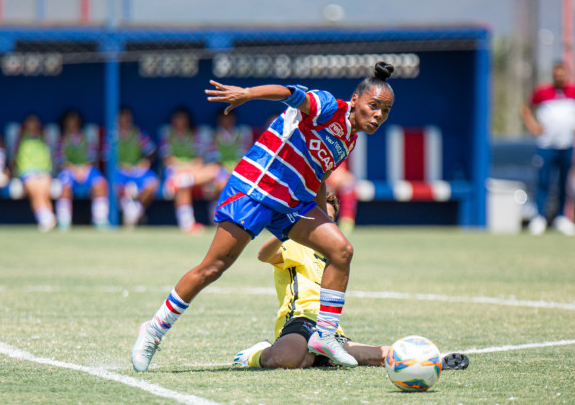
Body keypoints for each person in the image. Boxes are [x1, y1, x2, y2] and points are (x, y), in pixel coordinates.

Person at [132, 62, 396, 372]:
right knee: (213, 267)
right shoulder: (329, 107)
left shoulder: (349, 138)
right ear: (355, 100)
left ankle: (325, 336)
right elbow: (289, 93)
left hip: (292, 202)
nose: (378, 115)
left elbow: (320, 175)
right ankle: (153, 331)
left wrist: (325, 217)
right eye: (373, 105)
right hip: (255, 188)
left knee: (341, 250)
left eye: (385, 111)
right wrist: (248, 93)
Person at [233, 192, 469, 371]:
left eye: (328, 221)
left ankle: (430, 361)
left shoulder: (335, 255)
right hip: (300, 319)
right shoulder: (295, 243)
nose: (321, 226)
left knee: (376, 355)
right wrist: (286, 230)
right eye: (314, 220)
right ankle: (257, 353)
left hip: (328, 328)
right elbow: (264, 256)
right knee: (287, 359)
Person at [521, 61, 575, 236]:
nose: (559, 77)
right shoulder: (542, 92)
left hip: (567, 144)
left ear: (567, 74)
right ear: (553, 75)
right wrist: (533, 126)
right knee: (543, 182)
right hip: (546, 145)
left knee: (565, 182)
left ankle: (562, 218)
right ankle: (539, 217)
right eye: (556, 75)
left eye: (562, 74)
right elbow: (526, 109)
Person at [158, 107, 222, 234]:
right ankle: (187, 224)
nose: (180, 122)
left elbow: (198, 160)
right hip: (173, 171)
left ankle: (218, 221)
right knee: (183, 182)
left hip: (191, 171)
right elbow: (167, 159)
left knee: (214, 171)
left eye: (183, 119)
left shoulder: (195, 135)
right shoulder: (167, 134)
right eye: (177, 118)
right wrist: (184, 167)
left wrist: (188, 169)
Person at [54, 110, 109, 230]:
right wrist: (75, 169)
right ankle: (64, 222)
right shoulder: (61, 139)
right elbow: (60, 161)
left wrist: (83, 169)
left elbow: (92, 157)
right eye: (69, 121)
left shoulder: (87, 138)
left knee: (100, 182)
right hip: (68, 170)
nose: (72, 124)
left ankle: (100, 220)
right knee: (65, 185)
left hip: (87, 169)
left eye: (75, 121)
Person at [114, 107, 159, 227]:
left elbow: (151, 151)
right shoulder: (111, 135)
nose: (125, 121)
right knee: (115, 185)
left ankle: (135, 210)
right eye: (121, 118)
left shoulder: (137, 133)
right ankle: (129, 209)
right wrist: (120, 165)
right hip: (119, 171)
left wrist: (146, 161)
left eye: (127, 118)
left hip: (136, 171)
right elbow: (104, 157)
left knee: (152, 183)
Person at [14, 114, 56, 232]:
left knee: (44, 189)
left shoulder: (43, 138)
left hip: (43, 171)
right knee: (35, 189)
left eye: (35, 123)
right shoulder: (21, 139)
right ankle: (44, 217)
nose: (32, 126)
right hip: (27, 172)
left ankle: (47, 216)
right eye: (29, 123)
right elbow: (15, 157)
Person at [325, 161, 358, 235]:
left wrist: (337, 172)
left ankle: (346, 220)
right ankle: (321, 221)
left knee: (348, 183)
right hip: (312, 173)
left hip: (333, 172)